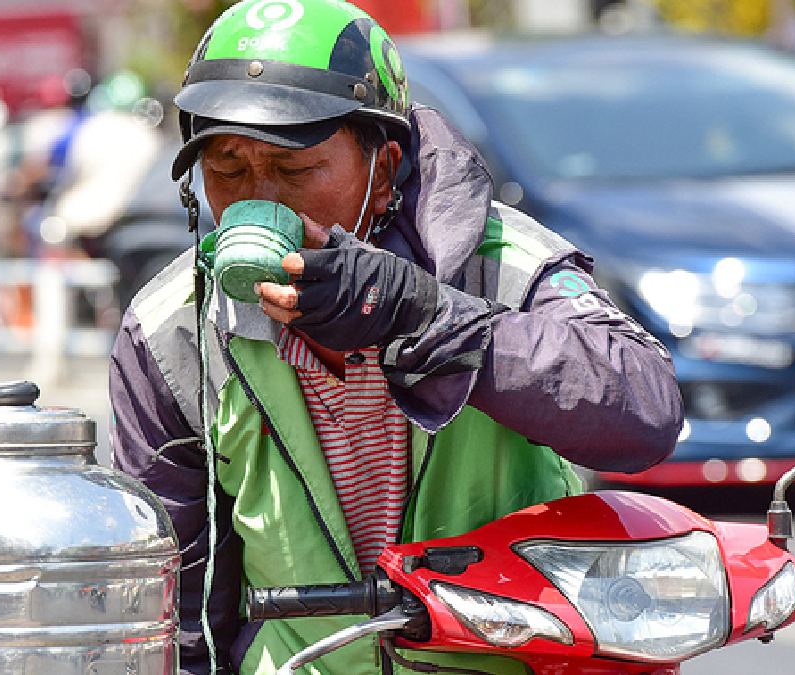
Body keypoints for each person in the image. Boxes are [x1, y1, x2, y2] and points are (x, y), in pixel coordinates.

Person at [108, 2, 683, 675]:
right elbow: (170, 598)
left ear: (383, 171)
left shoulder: (506, 267)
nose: (258, 200)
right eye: (228, 171)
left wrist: (424, 316)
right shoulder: (172, 327)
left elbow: (645, 412)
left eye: (295, 170)